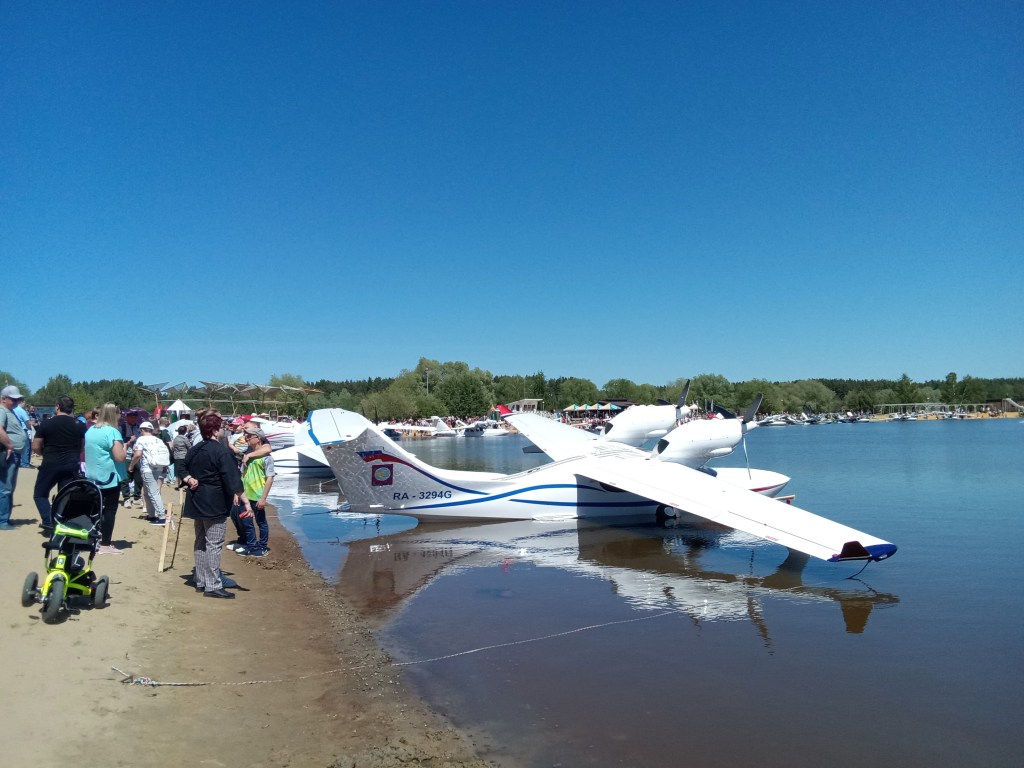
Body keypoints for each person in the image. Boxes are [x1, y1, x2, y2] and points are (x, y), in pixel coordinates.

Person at [181, 412, 251, 599]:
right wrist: (245, 501)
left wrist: (188, 478)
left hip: (196, 500)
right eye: (221, 427)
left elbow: (180, 466)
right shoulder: (221, 451)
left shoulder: (195, 449)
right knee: (213, 544)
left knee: (200, 541)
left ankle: (201, 580)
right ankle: (212, 585)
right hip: (214, 502)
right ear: (213, 430)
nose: (224, 430)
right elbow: (232, 478)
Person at [32, 394, 88, 531]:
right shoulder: (80, 425)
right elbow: (82, 447)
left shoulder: (47, 423)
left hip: (51, 463)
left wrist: (44, 453)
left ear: (57, 407)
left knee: (40, 494)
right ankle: (61, 521)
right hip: (71, 464)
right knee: (64, 495)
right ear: (71, 408)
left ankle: (48, 521)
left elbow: (35, 446)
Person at [84, 403, 128, 553]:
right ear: (114, 414)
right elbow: (120, 457)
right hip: (109, 477)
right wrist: (125, 447)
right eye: (119, 413)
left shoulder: (91, 430)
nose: (120, 416)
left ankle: (93, 539)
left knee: (95, 509)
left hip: (92, 476)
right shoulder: (112, 432)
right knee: (109, 510)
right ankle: (105, 544)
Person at [233, 426, 275, 557]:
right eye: (246, 436)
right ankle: (251, 545)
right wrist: (237, 493)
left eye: (249, 437)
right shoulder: (247, 456)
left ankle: (262, 546)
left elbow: (270, 478)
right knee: (247, 522)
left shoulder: (267, 458)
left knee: (261, 522)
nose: (247, 439)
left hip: (258, 495)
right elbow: (242, 475)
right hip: (245, 495)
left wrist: (263, 498)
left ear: (258, 438)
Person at [129, 421, 169, 525]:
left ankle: (162, 517)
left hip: (148, 468)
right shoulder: (158, 440)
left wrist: (131, 465)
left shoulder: (141, 439)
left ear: (142, 430)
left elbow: (138, 454)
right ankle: (151, 515)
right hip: (158, 467)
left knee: (153, 492)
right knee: (147, 492)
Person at [0, 385, 28, 530]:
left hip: (15, 454)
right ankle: (2, 520)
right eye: (13, 399)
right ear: (4, 398)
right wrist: (9, 445)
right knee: (5, 487)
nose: (16, 402)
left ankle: (5, 518)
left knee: (9, 487)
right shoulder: (2, 411)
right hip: (8, 453)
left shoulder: (9, 411)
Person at [119, 410, 143, 507]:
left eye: (135, 417)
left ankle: (137, 497)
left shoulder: (139, 428)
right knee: (125, 477)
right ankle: (126, 498)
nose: (134, 419)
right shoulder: (122, 428)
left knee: (139, 476)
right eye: (131, 417)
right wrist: (129, 440)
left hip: (137, 455)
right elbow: (119, 441)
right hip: (126, 455)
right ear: (127, 417)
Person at [13, 398, 32, 468]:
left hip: (15, 430)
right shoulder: (22, 411)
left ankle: (20, 462)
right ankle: (25, 463)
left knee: (17, 447)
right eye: (24, 402)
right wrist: (29, 428)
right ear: (22, 402)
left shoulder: (13, 409)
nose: (25, 404)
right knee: (26, 447)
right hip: (23, 430)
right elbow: (27, 421)